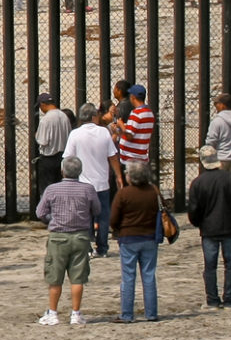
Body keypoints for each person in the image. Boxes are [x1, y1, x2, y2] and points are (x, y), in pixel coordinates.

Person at [184, 145, 231, 307]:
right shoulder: (229, 179)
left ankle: (212, 299)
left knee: (210, 265)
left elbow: (194, 209)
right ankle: (230, 299)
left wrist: (199, 223)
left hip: (209, 229)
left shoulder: (198, 183)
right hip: (229, 227)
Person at [61, 103, 120, 257]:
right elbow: (112, 156)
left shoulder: (75, 134)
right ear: (94, 116)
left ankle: (87, 248)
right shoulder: (104, 132)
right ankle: (102, 248)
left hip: (82, 182)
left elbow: (67, 158)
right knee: (103, 216)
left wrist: (65, 177)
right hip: (102, 182)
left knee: (84, 217)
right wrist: (118, 175)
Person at [108, 164, 163, 322]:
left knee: (128, 277)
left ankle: (127, 314)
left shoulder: (124, 194)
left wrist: (118, 229)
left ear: (130, 177)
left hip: (128, 238)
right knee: (149, 276)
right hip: (150, 237)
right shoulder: (154, 191)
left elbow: (113, 219)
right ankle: (151, 313)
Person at [32, 93, 71, 205]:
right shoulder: (64, 116)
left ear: (43, 104)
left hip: (48, 158)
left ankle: (49, 214)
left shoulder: (46, 119)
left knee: (48, 189)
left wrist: (36, 135)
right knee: (61, 187)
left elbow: (43, 141)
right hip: (62, 157)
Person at [203, 94, 231, 168]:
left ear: (223, 105)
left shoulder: (217, 121)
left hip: (220, 158)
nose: (215, 106)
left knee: (218, 179)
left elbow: (211, 141)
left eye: (216, 103)